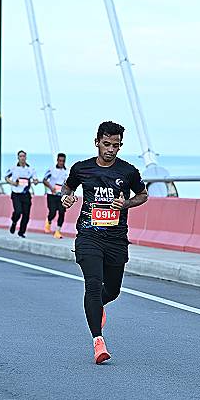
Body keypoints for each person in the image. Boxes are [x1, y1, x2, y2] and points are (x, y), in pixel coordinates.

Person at [61, 121, 148, 364]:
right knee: (92, 285)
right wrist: (66, 198)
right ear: (97, 142)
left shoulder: (128, 171)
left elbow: (143, 195)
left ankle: (97, 307)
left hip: (116, 240)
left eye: (116, 145)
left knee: (112, 290)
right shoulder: (82, 168)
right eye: (107, 144)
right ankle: (98, 342)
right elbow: (67, 188)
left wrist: (126, 203)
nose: (111, 149)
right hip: (88, 237)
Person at [5, 150, 39, 238]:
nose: (22, 158)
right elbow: (6, 177)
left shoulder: (30, 169)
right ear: (18, 158)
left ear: (26, 157)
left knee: (26, 215)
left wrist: (36, 181)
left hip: (26, 194)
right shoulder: (13, 168)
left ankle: (21, 232)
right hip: (16, 194)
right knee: (18, 211)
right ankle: (14, 222)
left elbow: (35, 179)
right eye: (20, 156)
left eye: (24, 156)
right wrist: (13, 183)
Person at [43, 153, 69, 239]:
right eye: (60, 161)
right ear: (57, 160)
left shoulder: (67, 171)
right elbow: (44, 180)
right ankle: (49, 220)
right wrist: (51, 188)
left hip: (62, 196)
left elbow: (69, 184)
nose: (61, 163)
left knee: (62, 212)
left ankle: (57, 232)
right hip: (52, 195)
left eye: (63, 161)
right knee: (52, 212)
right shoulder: (51, 169)